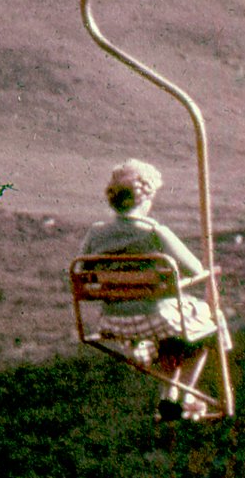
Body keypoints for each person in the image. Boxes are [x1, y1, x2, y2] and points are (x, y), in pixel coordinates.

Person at [78, 158, 225, 420]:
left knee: (174, 333)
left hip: (115, 321)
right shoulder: (154, 231)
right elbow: (196, 270)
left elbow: (81, 275)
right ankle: (187, 394)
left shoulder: (95, 233)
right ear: (146, 198)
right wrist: (209, 273)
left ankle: (169, 398)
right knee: (208, 325)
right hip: (155, 315)